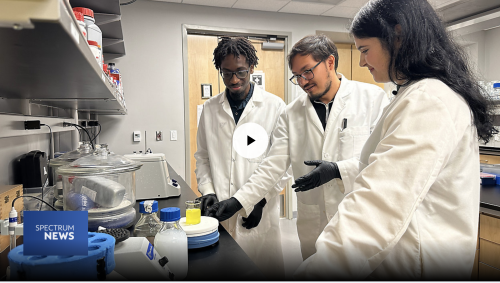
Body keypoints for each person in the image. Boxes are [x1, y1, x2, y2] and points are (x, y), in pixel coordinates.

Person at [293, 0, 497, 280]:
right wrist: (339, 170)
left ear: (397, 37)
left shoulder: (429, 100)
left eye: (365, 50)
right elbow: (390, 165)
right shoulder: (413, 94)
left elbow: (381, 201)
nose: (362, 61)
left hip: (419, 260)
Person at [207, 35, 389, 260]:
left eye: (307, 72)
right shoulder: (291, 113)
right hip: (314, 223)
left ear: (330, 63)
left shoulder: (372, 99)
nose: (302, 81)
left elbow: (384, 160)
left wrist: (338, 170)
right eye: (297, 76)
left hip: (359, 219)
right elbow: (273, 166)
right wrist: (239, 201)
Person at [194, 37, 289, 280]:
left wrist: (260, 202)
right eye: (226, 73)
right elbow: (203, 156)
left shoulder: (275, 106)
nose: (234, 79)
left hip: (261, 215)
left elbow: (281, 165)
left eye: (241, 72)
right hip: (221, 210)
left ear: (252, 69)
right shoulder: (210, 109)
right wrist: (207, 191)